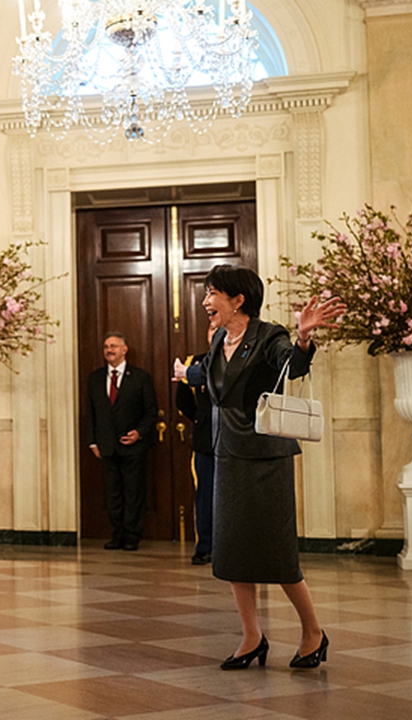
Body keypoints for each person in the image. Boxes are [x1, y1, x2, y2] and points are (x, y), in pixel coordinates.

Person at [173, 264, 345, 671]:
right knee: (232, 553)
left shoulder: (270, 336)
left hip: (266, 459)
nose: (204, 302)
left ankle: (313, 633)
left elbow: (293, 365)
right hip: (227, 457)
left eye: (212, 293)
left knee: (278, 555)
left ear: (238, 300)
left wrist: (303, 337)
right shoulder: (218, 339)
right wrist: (185, 372)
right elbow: (210, 375)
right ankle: (251, 637)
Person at [85, 331, 158, 551]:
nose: (109, 350)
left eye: (114, 346)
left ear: (124, 350)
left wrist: (139, 432)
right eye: (106, 346)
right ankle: (117, 534)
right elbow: (91, 412)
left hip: (133, 447)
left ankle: (132, 536)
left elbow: (151, 411)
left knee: (134, 492)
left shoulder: (140, 377)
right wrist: (92, 442)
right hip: (106, 446)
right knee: (113, 494)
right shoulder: (95, 378)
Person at [176, 322, 217, 565]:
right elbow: (183, 401)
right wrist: (202, 419)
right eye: (210, 328)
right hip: (205, 440)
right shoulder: (194, 361)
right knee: (205, 495)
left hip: (235, 439)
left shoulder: (242, 357)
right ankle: (205, 546)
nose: (214, 332)